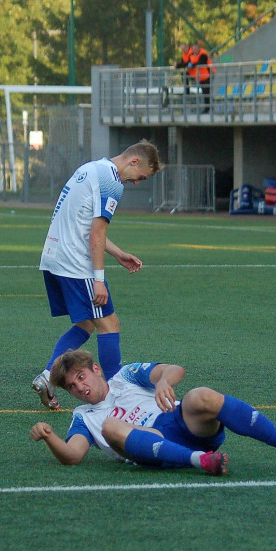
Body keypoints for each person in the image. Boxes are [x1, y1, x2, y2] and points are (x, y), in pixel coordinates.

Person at [30, 350, 276, 475]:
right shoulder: (85, 416)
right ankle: (201, 462)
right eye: (71, 386)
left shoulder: (125, 376)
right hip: (150, 444)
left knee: (200, 395)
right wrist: (48, 436)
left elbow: (176, 369)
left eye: (81, 377)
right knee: (111, 426)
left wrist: (162, 382)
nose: (79, 388)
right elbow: (72, 455)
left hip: (181, 423)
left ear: (95, 369)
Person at [32, 140, 161, 411]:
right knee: (109, 325)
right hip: (75, 264)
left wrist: (118, 253)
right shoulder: (112, 182)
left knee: (86, 325)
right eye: (141, 177)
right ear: (134, 162)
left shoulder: (92, 168)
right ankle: (115, 395)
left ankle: (47, 378)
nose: (137, 183)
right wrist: (99, 279)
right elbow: (96, 233)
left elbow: (85, 225)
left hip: (54, 257)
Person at [186, 41, 213, 113]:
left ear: (198, 48)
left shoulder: (203, 54)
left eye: (195, 48)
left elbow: (201, 62)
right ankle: (187, 90)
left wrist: (192, 65)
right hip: (200, 76)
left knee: (206, 91)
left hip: (207, 75)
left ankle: (208, 108)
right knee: (204, 92)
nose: (194, 49)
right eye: (193, 48)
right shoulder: (192, 54)